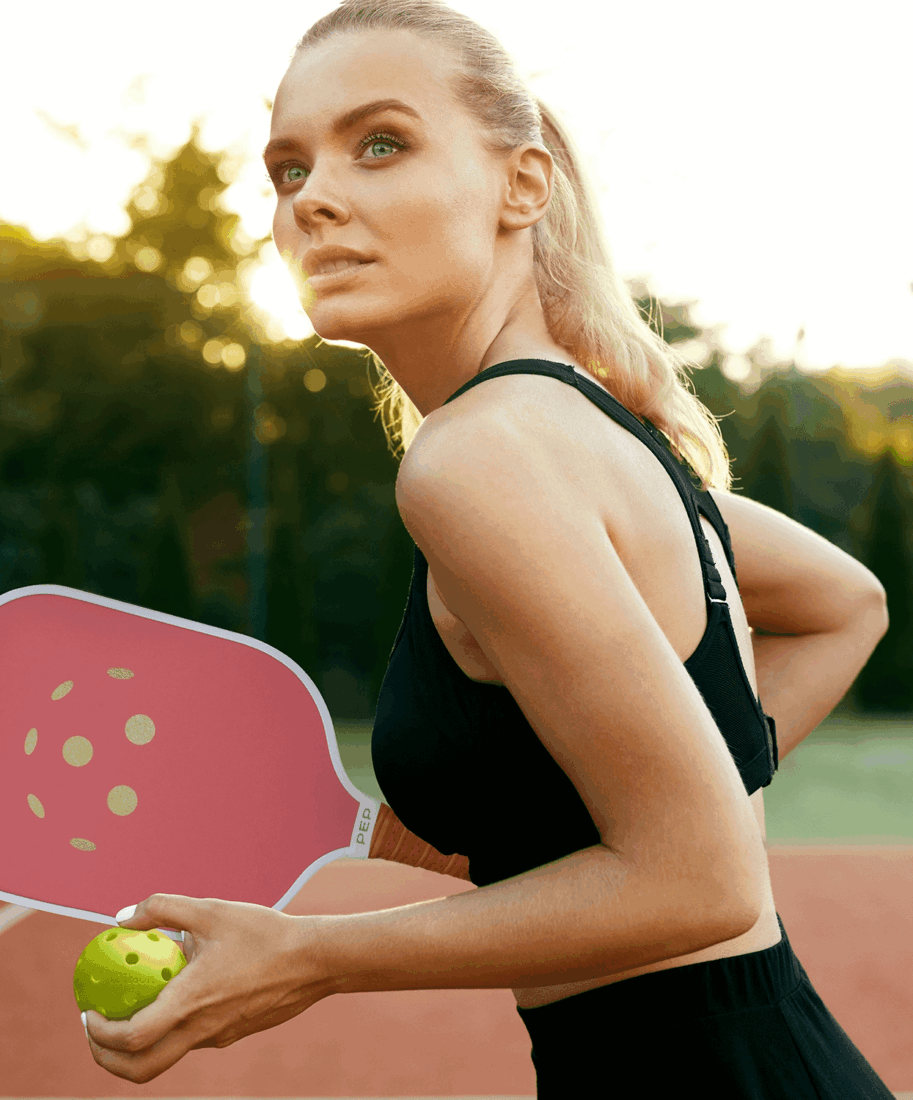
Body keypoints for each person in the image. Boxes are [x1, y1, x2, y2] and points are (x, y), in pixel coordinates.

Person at [83, 2, 894, 1093]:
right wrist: (600, 826)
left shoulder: (475, 460)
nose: (312, 196)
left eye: (379, 143)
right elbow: (846, 601)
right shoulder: (600, 439)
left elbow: (703, 880)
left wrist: (307, 957)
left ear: (521, 185)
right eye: (286, 168)